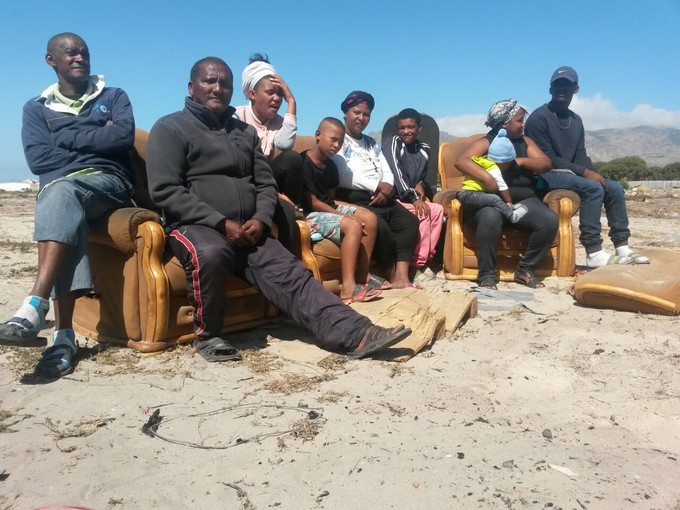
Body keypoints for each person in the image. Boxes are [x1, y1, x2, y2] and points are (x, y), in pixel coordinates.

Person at [145, 57, 411, 362]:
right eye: (209, 81)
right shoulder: (170, 128)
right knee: (211, 253)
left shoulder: (243, 134)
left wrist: (259, 219)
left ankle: (357, 333)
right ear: (192, 87)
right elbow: (165, 191)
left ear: (233, 90)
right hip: (195, 226)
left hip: (248, 229)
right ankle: (208, 335)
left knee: (293, 274)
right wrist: (221, 223)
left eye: (225, 83)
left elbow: (266, 183)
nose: (217, 88)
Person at [0, 33, 135, 377]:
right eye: (71, 53)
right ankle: (63, 336)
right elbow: (38, 159)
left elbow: (121, 137)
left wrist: (66, 137)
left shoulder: (113, 96)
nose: (80, 58)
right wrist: (93, 140)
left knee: (59, 191)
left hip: (109, 182)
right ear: (51, 61)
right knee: (61, 196)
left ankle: (36, 305)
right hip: (63, 188)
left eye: (84, 53)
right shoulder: (36, 108)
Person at [524, 66, 649, 268]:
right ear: (550, 90)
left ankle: (622, 246)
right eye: (557, 85)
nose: (561, 89)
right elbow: (547, 160)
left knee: (614, 187)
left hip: (570, 173)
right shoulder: (539, 118)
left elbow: (580, 154)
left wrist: (594, 173)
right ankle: (593, 251)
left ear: (576, 88)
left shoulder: (576, 120)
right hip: (543, 176)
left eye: (567, 85)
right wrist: (585, 173)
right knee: (591, 187)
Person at [455, 99, 558, 289]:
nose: (523, 124)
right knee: (490, 217)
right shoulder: (487, 142)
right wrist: (487, 178)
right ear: (505, 123)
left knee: (548, 220)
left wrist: (519, 161)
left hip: (523, 200)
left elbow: (546, 163)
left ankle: (525, 269)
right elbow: (462, 161)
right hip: (489, 202)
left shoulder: (524, 141)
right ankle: (486, 275)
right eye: (519, 120)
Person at [332, 91, 420, 289]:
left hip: (383, 196)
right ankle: (388, 272)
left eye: (366, 114)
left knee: (409, 222)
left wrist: (387, 188)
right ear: (346, 112)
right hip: (356, 198)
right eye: (356, 112)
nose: (361, 118)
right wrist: (376, 186)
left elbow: (386, 167)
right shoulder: (338, 138)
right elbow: (343, 175)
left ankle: (402, 276)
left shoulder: (371, 142)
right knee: (381, 227)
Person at [301, 117, 381, 304]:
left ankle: (363, 277)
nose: (336, 145)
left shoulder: (331, 165)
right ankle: (348, 288)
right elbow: (313, 202)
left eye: (340, 141)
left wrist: (354, 210)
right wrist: (344, 216)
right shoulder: (302, 162)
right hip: (309, 214)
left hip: (327, 207)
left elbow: (331, 198)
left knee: (369, 217)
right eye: (333, 139)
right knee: (353, 225)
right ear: (318, 135)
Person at [235, 54, 303, 253]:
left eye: (280, 94)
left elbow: (285, 143)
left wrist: (292, 100)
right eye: (271, 93)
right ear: (251, 94)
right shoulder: (236, 117)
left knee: (292, 158)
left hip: (269, 183)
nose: (277, 99)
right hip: (246, 182)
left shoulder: (279, 122)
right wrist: (276, 193)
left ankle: (295, 208)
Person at [382, 108, 445, 269]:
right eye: (402, 127)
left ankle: (426, 258)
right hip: (395, 197)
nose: (406, 131)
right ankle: (416, 265)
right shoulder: (393, 142)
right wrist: (414, 199)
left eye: (410, 127)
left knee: (437, 210)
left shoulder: (425, 149)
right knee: (422, 212)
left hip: (410, 196)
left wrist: (421, 185)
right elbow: (396, 174)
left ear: (419, 128)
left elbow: (423, 177)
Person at [457, 128, 528, 224]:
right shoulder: (493, 168)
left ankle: (509, 208)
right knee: (495, 199)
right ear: (502, 162)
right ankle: (512, 216)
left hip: (467, 194)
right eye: (507, 164)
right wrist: (509, 201)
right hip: (472, 195)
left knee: (491, 200)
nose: (507, 167)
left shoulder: (482, 161)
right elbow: (502, 186)